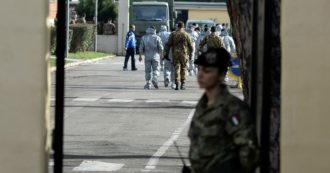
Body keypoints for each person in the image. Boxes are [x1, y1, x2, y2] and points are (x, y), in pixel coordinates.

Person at [187, 48, 259, 173]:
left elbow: (249, 152)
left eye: (207, 71)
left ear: (221, 75)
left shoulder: (232, 108)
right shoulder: (203, 106)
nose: (200, 74)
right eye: (199, 69)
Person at [165, 21, 193, 90]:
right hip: (184, 54)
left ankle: (177, 83)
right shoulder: (186, 34)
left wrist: (166, 54)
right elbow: (191, 46)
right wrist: (191, 55)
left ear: (178, 26)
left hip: (175, 54)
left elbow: (168, 45)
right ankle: (183, 84)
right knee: (183, 69)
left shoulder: (173, 34)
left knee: (176, 68)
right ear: (183, 27)